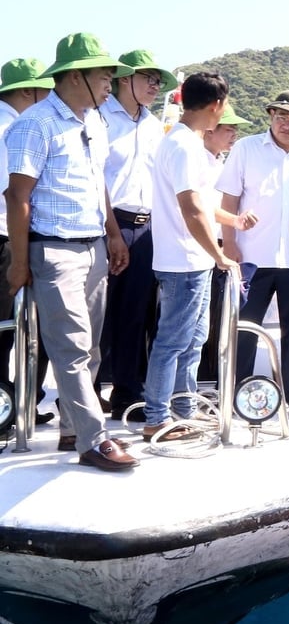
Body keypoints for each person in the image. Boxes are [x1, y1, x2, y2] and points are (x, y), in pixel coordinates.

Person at [4, 32, 136, 470]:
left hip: (93, 246)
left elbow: (97, 183)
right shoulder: (34, 123)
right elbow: (18, 196)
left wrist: (113, 234)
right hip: (54, 251)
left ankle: (71, 427)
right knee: (73, 348)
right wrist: (20, 264)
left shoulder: (94, 122)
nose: (110, 83)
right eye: (104, 75)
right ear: (75, 75)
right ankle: (93, 440)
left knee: (92, 348)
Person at [143, 71, 255, 443]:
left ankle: (183, 409)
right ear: (216, 106)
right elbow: (191, 210)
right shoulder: (183, 146)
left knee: (194, 338)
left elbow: (205, 205)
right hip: (183, 261)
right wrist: (219, 254)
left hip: (194, 260)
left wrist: (232, 223)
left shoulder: (185, 143)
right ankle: (157, 417)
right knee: (173, 339)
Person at [217, 90, 289, 420]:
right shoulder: (246, 149)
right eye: (282, 116)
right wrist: (229, 243)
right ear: (270, 115)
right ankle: (235, 391)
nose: (288, 124)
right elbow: (228, 201)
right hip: (250, 256)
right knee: (242, 326)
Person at [98, 50, 178, 422]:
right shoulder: (99, 116)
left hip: (147, 225)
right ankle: (83, 394)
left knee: (137, 314)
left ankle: (127, 394)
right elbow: (96, 178)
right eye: (147, 77)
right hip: (106, 224)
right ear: (123, 79)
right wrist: (112, 231)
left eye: (157, 80)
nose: (153, 85)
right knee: (98, 313)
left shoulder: (152, 126)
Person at [0, 58, 55, 425]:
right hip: (7, 237)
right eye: (45, 89)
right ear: (26, 91)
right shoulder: (14, 127)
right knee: (9, 330)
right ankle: (12, 409)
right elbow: (15, 192)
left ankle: (19, 406)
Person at [197, 102, 251, 383]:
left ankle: (215, 379)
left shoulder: (220, 162)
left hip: (220, 249)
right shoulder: (197, 162)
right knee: (203, 323)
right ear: (209, 130)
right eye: (228, 130)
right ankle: (204, 379)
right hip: (207, 247)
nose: (234, 136)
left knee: (217, 319)